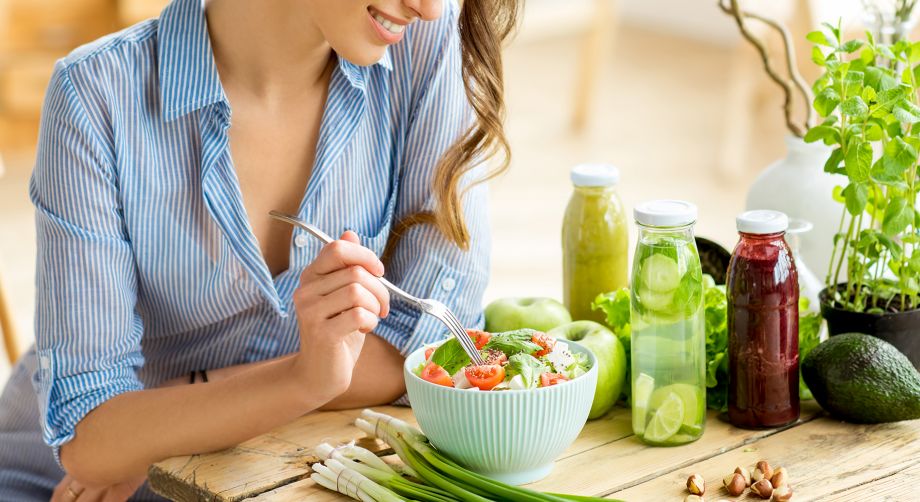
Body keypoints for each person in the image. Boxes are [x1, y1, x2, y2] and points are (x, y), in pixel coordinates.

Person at [0, 0, 519, 499]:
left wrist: (184, 398)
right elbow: (91, 441)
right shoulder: (97, 94)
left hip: (271, 473)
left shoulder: (425, 47)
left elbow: (436, 345)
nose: (428, 6)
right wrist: (304, 377)